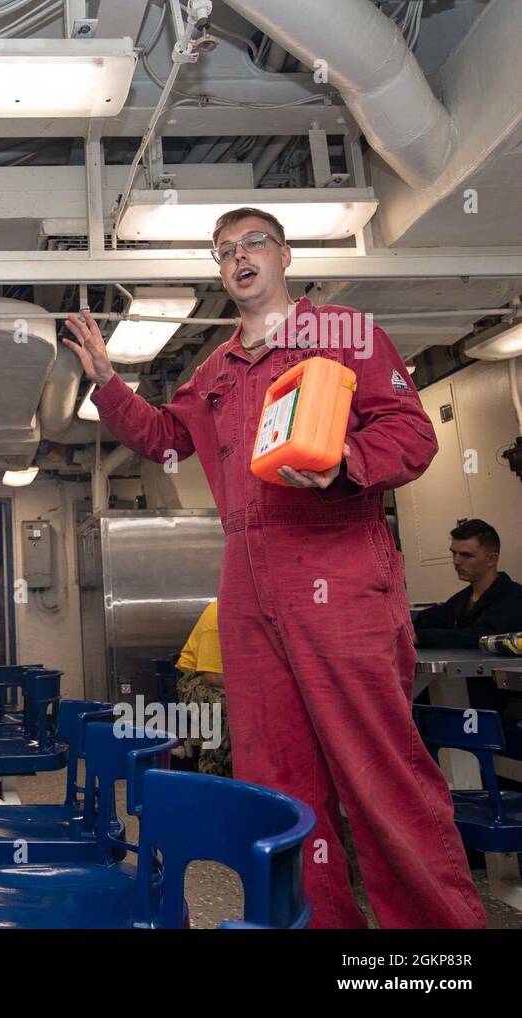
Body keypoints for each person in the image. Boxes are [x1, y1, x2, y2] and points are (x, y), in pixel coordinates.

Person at [64, 207, 486, 929]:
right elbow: (167, 441)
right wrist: (108, 383)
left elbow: (411, 434)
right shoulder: (215, 369)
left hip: (337, 561)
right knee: (277, 778)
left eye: (253, 242)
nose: (238, 257)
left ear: (285, 254)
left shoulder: (343, 335)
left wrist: (346, 462)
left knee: (377, 771)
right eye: (223, 250)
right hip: (246, 579)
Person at [414, 519, 522, 648]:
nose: (457, 561)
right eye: (454, 553)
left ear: (492, 559)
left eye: (466, 555)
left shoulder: (514, 598)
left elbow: (485, 637)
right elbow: (430, 618)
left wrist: (421, 638)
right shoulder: (460, 600)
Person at [172, 601, 231, 777]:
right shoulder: (218, 616)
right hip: (195, 679)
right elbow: (212, 676)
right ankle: (213, 776)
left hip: (233, 677)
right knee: (223, 706)